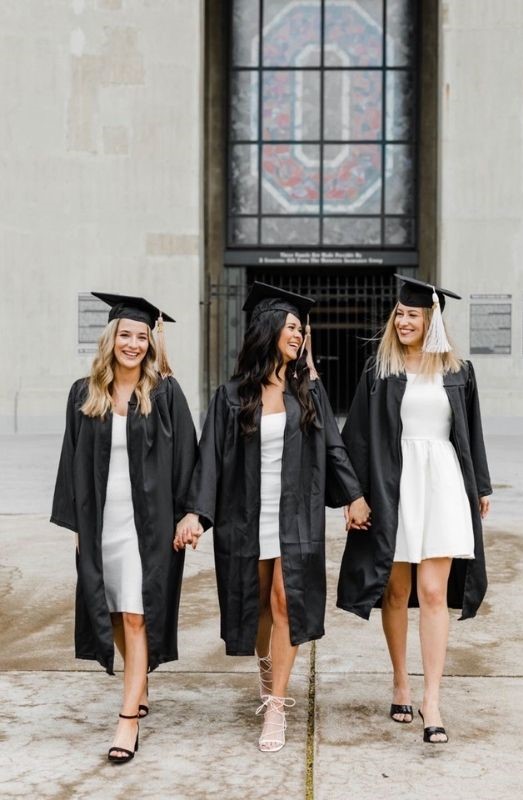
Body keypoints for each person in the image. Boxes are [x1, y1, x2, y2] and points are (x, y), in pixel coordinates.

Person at [174, 282, 370, 752]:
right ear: (268, 331)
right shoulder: (231, 396)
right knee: (258, 606)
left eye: (301, 329)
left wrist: (354, 497)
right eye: (291, 327)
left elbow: (334, 448)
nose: (299, 335)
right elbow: (210, 459)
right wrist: (197, 514)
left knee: (288, 602)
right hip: (246, 516)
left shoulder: (310, 392)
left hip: (296, 515)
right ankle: (267, 669)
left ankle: (277, 706)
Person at [337, 275, 492, 743]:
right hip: (394, 484)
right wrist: (353, 494)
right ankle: (401, 681)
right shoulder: (379, 370)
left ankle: (432, 700)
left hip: (442, 483)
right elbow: (358, 437)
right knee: (395, 587)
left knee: (431, 590)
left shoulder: (458, 369)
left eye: (413, 315)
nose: (403, 321)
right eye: (400, 314)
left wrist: (479, 485)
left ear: (432, 320)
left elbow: (472, 430)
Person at [51, 293, 197, 764]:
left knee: (137, 614)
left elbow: (188, 458)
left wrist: (188, 514)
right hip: (101, 523)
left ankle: (127, 720)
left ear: (151, 342)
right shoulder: (84, 393)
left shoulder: (165, 392)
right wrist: (77, 524)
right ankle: (142, 681)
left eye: (141, 336)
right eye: (125, 335)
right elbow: (70, 460)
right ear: (111, 339)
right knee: (112, 610)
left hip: (147, 526)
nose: (132, 344)